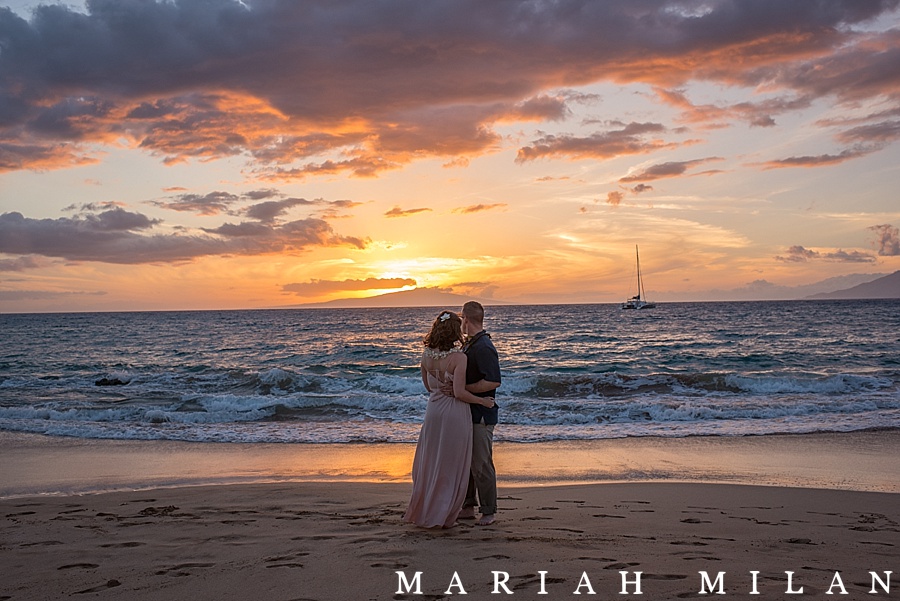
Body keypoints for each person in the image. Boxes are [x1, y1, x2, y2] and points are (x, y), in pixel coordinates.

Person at [403, 311, 495, 529]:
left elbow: (428, 387)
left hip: (433, 412)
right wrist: (483, 403)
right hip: (454, 414)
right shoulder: (458, 358)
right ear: (455, 331)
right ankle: (444, 513)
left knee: (433, 460)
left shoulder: (426, 355)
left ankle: (427, 508)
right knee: (452, 464)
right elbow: (460, 393)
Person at [457, 300, 501, 526]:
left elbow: (493, 380)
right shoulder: (471, 344)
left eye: (461, 317)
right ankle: (467, 506)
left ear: (466, 318)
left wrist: (464, 389)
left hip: (481, 415)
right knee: (467, 463)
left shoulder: (483, 346)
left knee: (482, 463)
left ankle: (489, 510)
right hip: (469, 412)